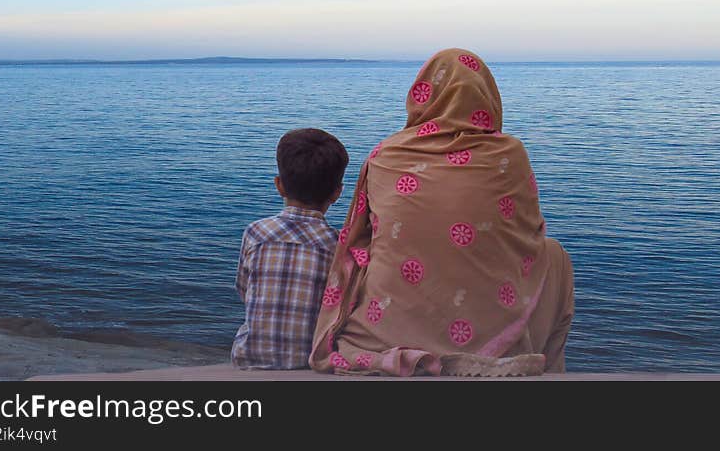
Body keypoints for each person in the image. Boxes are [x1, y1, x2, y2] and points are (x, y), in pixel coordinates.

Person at [310, 49, 574, 376]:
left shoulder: (386, 154)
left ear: (423, 95)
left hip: (387, 325)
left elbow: (359, 237)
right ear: (487, 96)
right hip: (489, 305)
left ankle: (407, 332)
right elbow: (529, 234)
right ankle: (531, 357)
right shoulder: (509, 154)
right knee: (554, 255)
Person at [231, 128, 349, 369]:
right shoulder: (337, 244)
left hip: (249, 356)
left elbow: (244, 290)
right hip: (309, 358)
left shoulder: (256, 233)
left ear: (279, 185)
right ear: (337, 193)